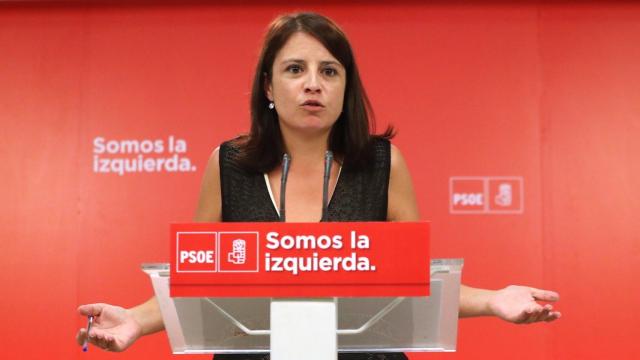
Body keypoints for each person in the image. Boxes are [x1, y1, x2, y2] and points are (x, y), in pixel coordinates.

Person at [76, 12, 561, 358]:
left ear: (345, 87)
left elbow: (416, 286)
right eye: (295, 70)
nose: (313, 84)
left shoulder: (381, 164)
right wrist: (137, 320)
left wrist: (494, 299)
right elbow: (198, 284)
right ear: (268, 87)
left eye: (329, 71)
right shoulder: (227, 166)